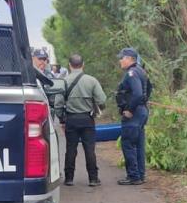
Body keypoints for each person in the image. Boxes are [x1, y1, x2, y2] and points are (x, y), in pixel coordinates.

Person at [57, 54, 106, 187]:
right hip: (87, 119)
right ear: (83, 65)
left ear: (69, 65)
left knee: (71, 148)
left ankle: (69, 178)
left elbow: (58, 104)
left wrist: (62, 120)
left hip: (71, 120)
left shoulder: (64, 82)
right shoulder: (92, 81)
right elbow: (102, 100)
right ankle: (93, 178)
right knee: (89, 149)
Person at [115, 47, 150, 185]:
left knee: (128, 143)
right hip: (141, 111)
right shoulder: (141, 71)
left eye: (122, 58)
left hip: (134, 114)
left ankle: (133, 176)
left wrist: (129, 109)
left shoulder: (132, 73)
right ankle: (140, 175)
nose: (120, 61)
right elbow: (148, 91)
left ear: (130, 59)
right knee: (139, 144)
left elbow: (137, 93)